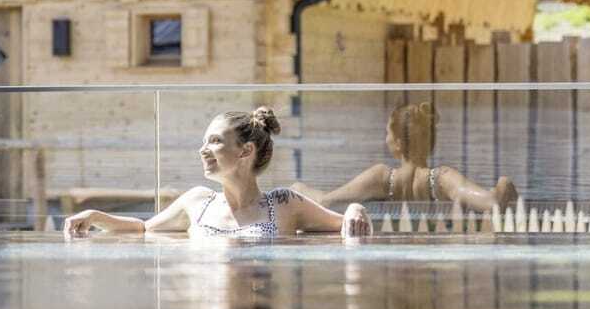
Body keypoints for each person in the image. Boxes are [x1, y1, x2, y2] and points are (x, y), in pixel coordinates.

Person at [63, 107, 370, 242]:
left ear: (245, 151)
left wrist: (356, 207)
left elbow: (344, 224)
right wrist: (95, 216)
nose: (203, 150)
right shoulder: (197, 201)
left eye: (215, 141)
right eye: (204, 141)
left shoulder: (284, 203)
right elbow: (143, 229)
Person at [293, 101, 517, 214]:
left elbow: (327, 202)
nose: (385, 139)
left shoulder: (381, 178)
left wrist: (298, 189)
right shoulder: (441, 179)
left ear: (398, 143)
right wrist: (504, 184)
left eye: (387, 133)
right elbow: (492, 203)